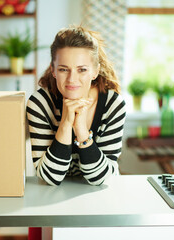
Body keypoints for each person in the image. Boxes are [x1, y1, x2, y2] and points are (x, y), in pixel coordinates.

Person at [26, 25, 126, 186]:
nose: (72, 79)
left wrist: (81, 130)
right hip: (52, 197)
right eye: (64, 69)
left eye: (82, 70)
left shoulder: (113, 104)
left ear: (95, 71)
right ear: (53, 70)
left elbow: (100, 179)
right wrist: (66, 123)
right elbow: (50, 177)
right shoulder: (40, 104)